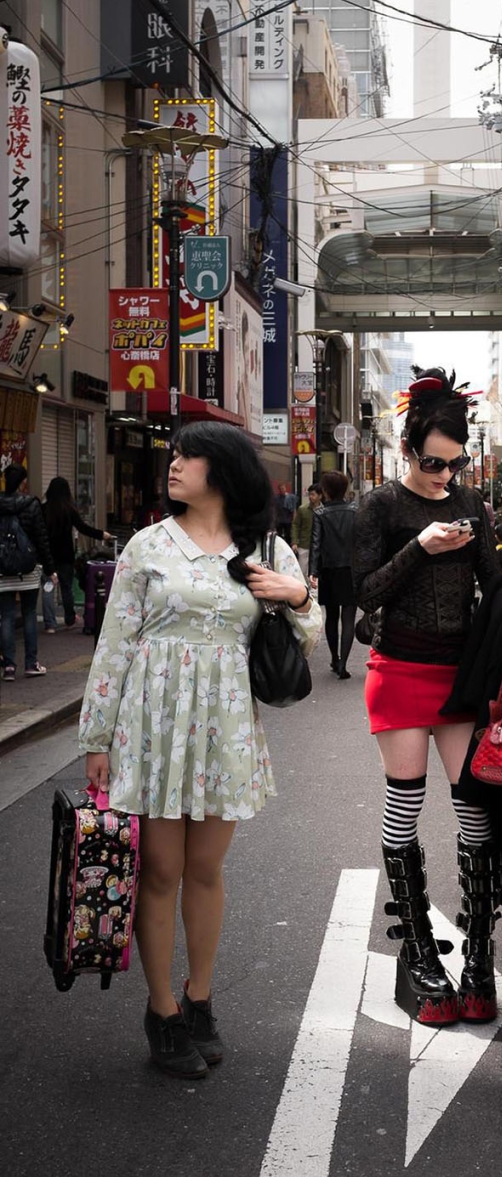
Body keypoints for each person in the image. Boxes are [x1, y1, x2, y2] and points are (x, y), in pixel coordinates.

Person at [80, 421, 322, 1080]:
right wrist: (96, 738)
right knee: (160, 868)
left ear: (223, 469)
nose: (174, 465)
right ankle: (162, 1012)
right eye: (174, 456)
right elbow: (115, 646)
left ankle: (200, 999)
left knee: (206, 868)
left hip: (224, 721)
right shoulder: (147, 546)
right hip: (153, 721)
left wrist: (296, 595)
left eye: (188, 456)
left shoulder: (264, 547)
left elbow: (306, 633)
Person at [352, 367, 502, 1028]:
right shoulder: (380, 507)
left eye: (457, 462)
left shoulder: (472, 506)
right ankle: (417, 951)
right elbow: (365, 592)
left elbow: (497, 586)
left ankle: (476, 957)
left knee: (474, 810)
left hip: (458, 678)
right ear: (409, 451)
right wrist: (418, 545)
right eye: (435, 463)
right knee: (404, 806)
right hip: (398, 669)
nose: (446, 474)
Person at [0, 463, 57, 680]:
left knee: (6, 615)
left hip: (3, 569)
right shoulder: (31, 504)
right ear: (23, 482)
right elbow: (42, 540)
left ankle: (9, 667)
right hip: (28, 568)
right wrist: (51, 570)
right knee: (30, 614)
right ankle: (31, 664)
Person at [41, 477, 114, 632]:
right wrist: (101, 534)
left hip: (47, 555)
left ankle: (50, 625)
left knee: (48, 588)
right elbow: (82, 528)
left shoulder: (43, 509)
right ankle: (69, 619)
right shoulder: (69, 510)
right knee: (66, 588)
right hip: (66, 555)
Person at [309, 470, 357, 679]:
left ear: (325, 491)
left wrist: (312, 571)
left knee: (331, 616)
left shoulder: (320, 514)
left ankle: (335, 658)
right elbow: (363, 542)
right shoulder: (356, 511)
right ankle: (344, 664)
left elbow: (316, 544)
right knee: (348, 618)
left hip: (329, 569)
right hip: (351, 570)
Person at [291, 482, 322, 578]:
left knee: (316, 572)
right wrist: (294, 542)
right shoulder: (302, 509)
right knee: (302, 571)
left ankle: (314, 591)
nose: (310, 497)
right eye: (310, 494)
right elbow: (295, 525)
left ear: (320, 496)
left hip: (319, 546)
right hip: (304, 544)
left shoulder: (324, 511)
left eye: (313, 494)